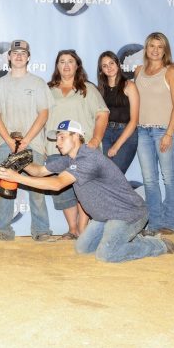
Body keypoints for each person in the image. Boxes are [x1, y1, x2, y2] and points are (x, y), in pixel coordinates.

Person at [0, 120, 174, 262]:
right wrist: (23, 163)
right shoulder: (68, 159)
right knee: (83, 249)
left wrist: (16, 178)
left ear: (77, 137)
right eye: (56, 138)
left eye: (62, 137)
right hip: (104, 217)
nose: (57, 143)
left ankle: (157, 246)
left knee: (107, 255)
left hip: (127, 214)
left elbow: (57, 184)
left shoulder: (88, 158)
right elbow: (40, 171)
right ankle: (130, 238)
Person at [0, 40, 54, 242]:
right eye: (14, 52)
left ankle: (41, 231)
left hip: (33, 143)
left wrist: (25, 141)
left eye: (22, 52)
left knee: (37, 188)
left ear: (29, 57)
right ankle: (3, 231)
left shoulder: (38, 83)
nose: (18, 56)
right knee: (5, 188)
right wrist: (9, 140)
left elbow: (43, 114)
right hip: (5, 143)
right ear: (8, 57)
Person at [46, 50, 109, 240]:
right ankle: (72, 229)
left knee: (84, 189)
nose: (66, 65)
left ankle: (83, 228)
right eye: (62, 62)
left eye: (70, 61)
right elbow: (42, 118)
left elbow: (102, 114)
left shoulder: (87, 89)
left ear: (77, 65)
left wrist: (96, 140)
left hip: (83, 150)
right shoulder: (48, 90)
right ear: (57, 66)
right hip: (55, 147)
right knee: (63, 191)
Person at [134, 33, 174, 235]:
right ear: (146, 49)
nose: (155, 50)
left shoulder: (171, 71)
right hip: (142, 131)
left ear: (165, 50)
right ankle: (154, 224)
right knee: (149, 180)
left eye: (159, 46)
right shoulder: (138, 71)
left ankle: (170, 223)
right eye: (151, 46)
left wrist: (169, 134)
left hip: (165, 130)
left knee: (169, 178)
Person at [97, 51, 139, 173]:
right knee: (103, 175)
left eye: (111, 63)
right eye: (104, 66)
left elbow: (134, 120)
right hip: (105, 134)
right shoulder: (100, 89)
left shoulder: (129, 86)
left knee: (115, 175)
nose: (109, 67)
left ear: (118, 64)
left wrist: (117, 145)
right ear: (101, 70)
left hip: (126, 134)